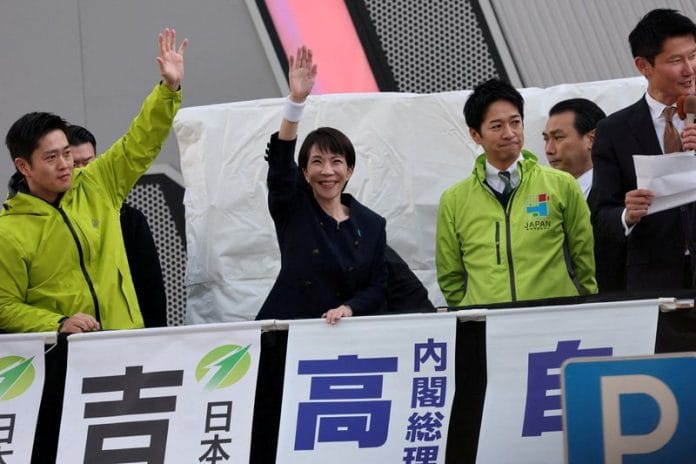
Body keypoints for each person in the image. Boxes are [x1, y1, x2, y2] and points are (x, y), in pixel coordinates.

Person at [0, 28, 187, 333]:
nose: (64, 164)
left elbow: (141, 141)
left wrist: (169, 89)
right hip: (65, 354)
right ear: (23, 166)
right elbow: (4, 308)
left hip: (125, 343)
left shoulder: (97, 182)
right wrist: (58, 323)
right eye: (51, 157)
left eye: (66, 153)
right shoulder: (7, 233)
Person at [436, 79, 597, 307]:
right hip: (491, 321)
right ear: (475, 135)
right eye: (497, 126)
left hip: (554, 318)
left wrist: (584, 304)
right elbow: (450, 275)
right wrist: (472, 311)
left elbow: (585, 257)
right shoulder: (454, 200)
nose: (509, 133)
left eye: (515, 122)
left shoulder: (561, 185)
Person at [256, 47, 387, 324]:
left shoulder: (372, 225)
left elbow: (377, 286)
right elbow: (281, 166)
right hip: (288, 333)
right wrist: (296, 102)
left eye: (336, 162)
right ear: (304, 172)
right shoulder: (293, 210)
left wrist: (349, 308)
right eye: (317, 162)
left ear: (349, 170)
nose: (327, 171)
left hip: (343, 335)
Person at [591, 9, 696, 293]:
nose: (689, 69)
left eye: (693, 56)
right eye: (676, 60)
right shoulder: (614, 131)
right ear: (643, 66)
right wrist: (627, 214)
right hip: (653, 283)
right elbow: (601, 216)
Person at [66, 124, 168, 327]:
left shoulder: (129, 219)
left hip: (127, 333)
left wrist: (156, 336)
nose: (82, 171)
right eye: (75, 164)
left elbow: (150, 286)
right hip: (75, 333)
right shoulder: (53, 220)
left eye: (87, 162)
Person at [542, 98, 622, 293]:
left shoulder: (621, 190)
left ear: (591, 139)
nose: (549, 150)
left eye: (558, 138)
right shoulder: (541, 194)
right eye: (546, 139)